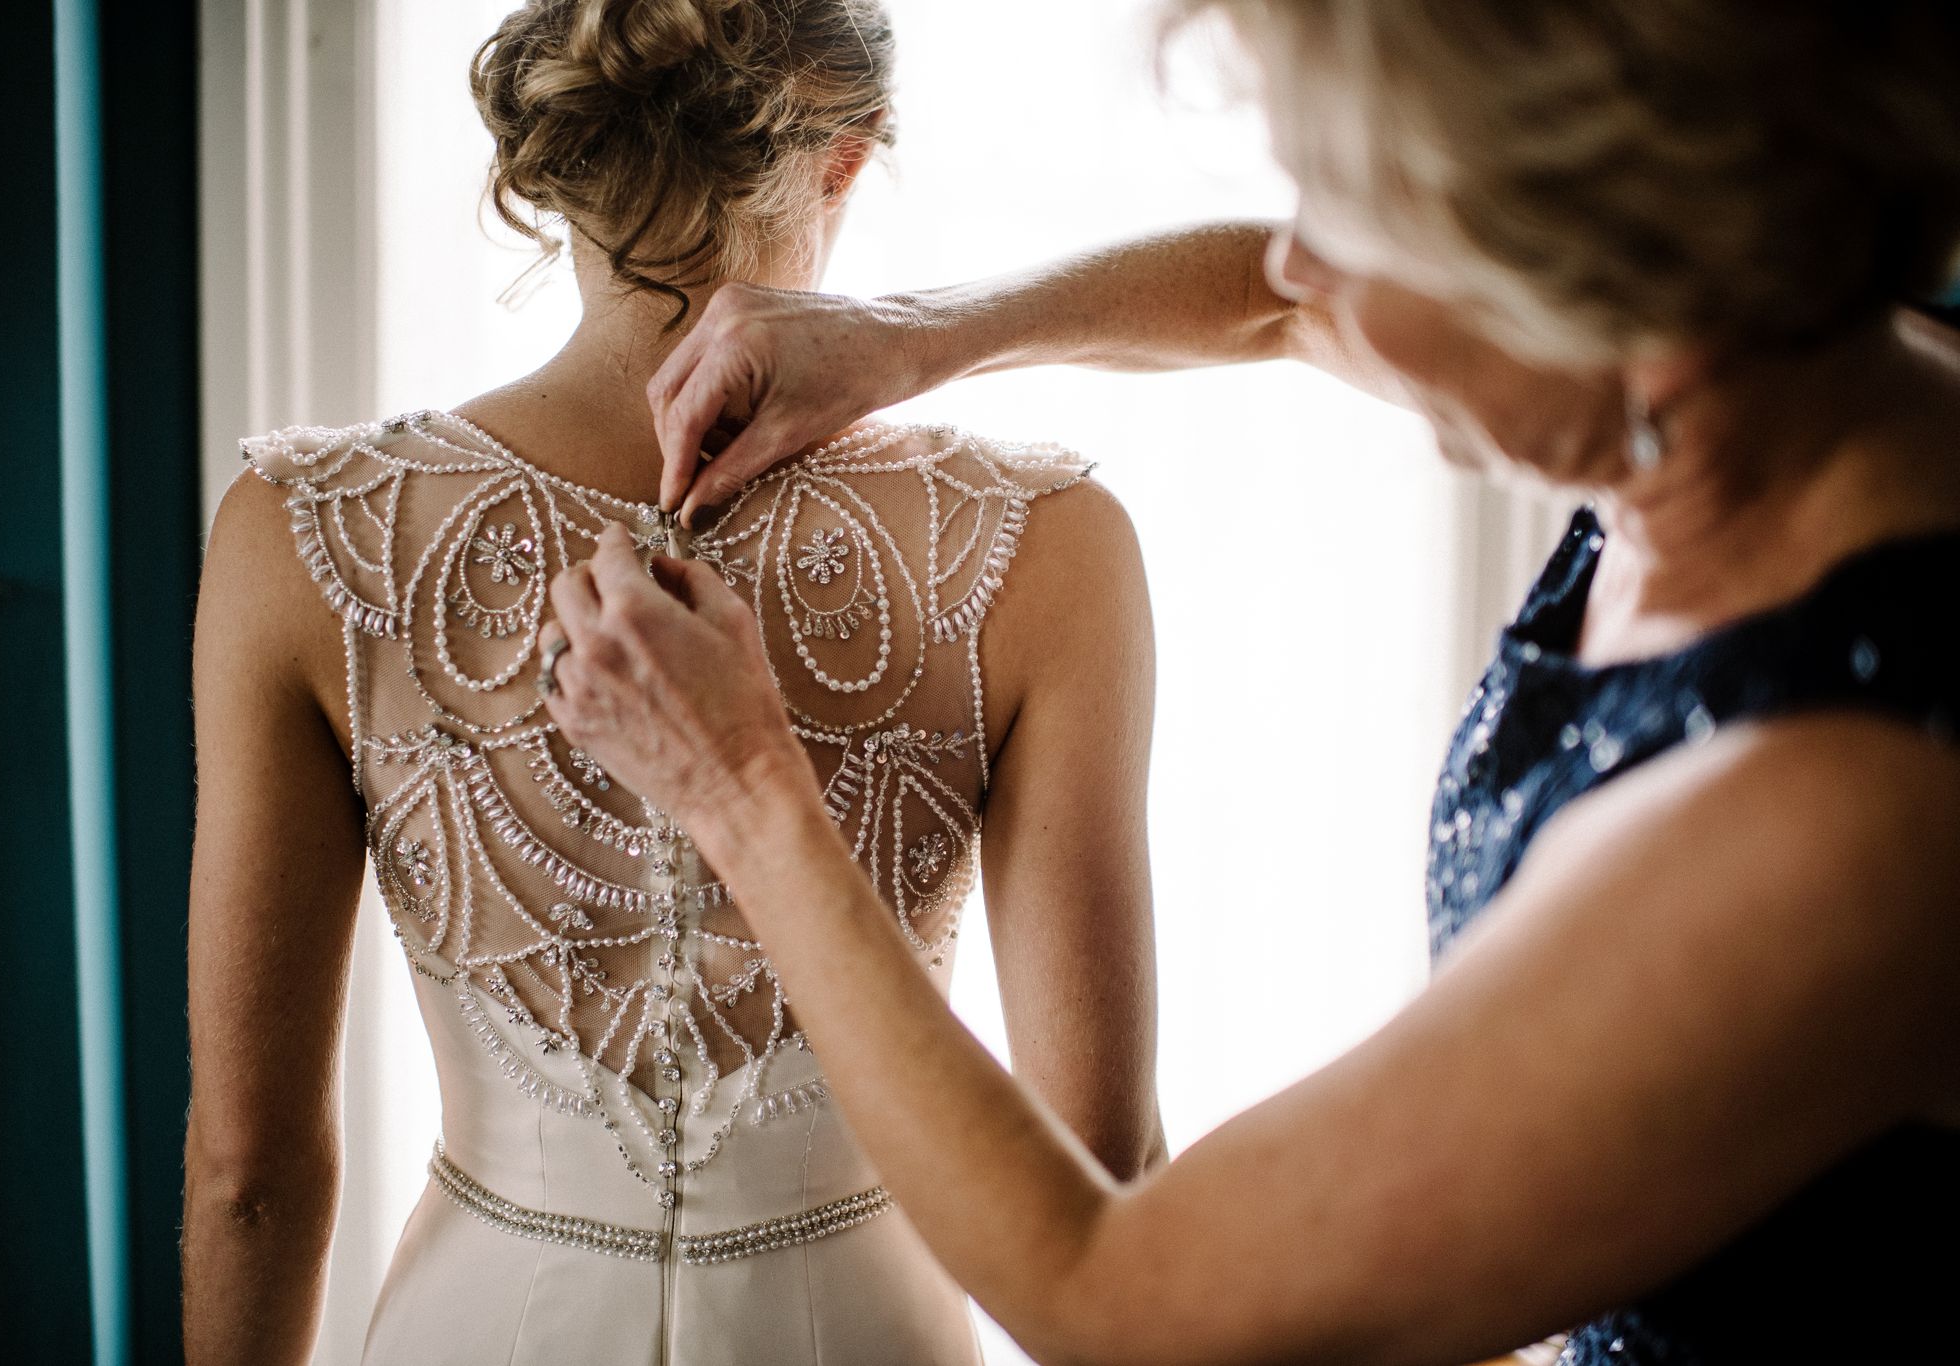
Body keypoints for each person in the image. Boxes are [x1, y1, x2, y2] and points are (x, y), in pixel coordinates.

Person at [537, 1, 1960, 1362]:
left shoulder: (1848, 811)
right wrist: (914, 334)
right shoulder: (1789, 374)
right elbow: (1271, 305)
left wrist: (746, 796)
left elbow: (1112, 1296)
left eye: (1347, 214)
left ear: (1587, 275)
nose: (1294, 267)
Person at [181, 2, 1165, 1362]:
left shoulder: (302, 533)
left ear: (561, 150)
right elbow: (1099, 1161)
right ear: (847, 155)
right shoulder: (1042, 545)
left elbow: (252, 1176)